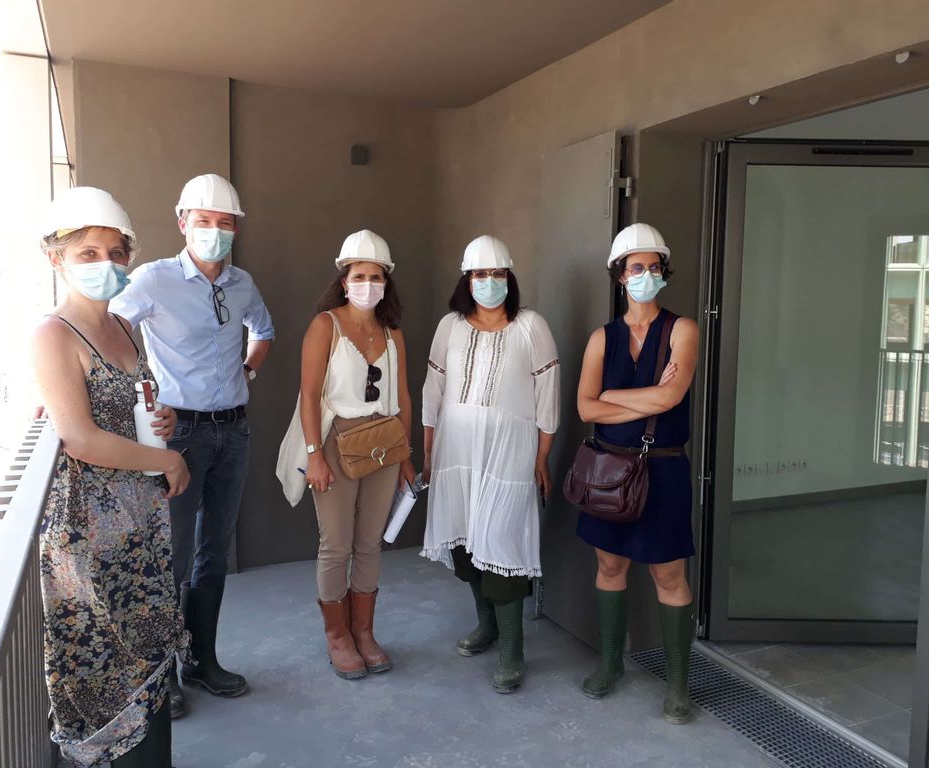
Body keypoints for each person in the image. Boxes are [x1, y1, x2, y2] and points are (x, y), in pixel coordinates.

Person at [33, 187, 191, 766]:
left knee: (147, 653)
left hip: (139, 523)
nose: (106, 264)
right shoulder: (53, 333)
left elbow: (132, 404)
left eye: (116, 253)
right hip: (89, 535)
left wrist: (162, 419)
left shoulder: (125, 326)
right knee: (105, 666)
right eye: (88, 253)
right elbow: (79, 436)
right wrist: (170, 459)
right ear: (57, 258)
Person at [109, 174, 274, 718]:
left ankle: (201, 661)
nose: (215, 231)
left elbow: (263, 331)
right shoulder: (154, 280)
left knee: (213, 553)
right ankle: (161, 675)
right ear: (183, 223)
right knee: (171, 554)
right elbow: (108, 332)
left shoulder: (242, 283)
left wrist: (248, 370)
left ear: (236, 229)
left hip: (234, 430)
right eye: (204, 221)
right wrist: (141, 393)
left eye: (225, 223)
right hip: (179, 435)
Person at [421, 235, 560, 694]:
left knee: (502, 543)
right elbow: (433, 393)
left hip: (509, 453)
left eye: (498, 274)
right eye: (480, 274)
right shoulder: (450, 326)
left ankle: (512, 650)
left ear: (510, 278)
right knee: (466, 545)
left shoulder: (531, 326)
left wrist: (542, 455)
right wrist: (428, 452)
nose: (489, 282)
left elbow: (547, 396)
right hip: (456, 452)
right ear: (467, 279)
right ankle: (489, 626)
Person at [574, 222, 698, 723]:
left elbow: (671, 397)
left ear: (663, 272)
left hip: (663, 470)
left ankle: (679, 685)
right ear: (620, 275)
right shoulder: (602, 338)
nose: (645, 274)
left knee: (669, 574)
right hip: (607, 469)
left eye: (653, 266)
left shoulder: (682, 329)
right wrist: (632, 399)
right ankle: (610, 663)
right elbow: (584, 409)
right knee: (610, 566)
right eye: (635, 267)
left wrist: (610, 396)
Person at [299, 230, 415, 679]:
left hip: (384, 441)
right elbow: (309, 395)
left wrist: (406, 455)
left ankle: (364, 632)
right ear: (344, 281)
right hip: (337, 441)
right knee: (336, 543)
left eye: (376, 277)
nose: (368, 284)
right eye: (359, 276)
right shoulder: (325, 326)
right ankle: (338, 637)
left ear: (387, 282)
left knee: (369, 543)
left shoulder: (392, 332)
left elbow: (402, 395)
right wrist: (315, 454)